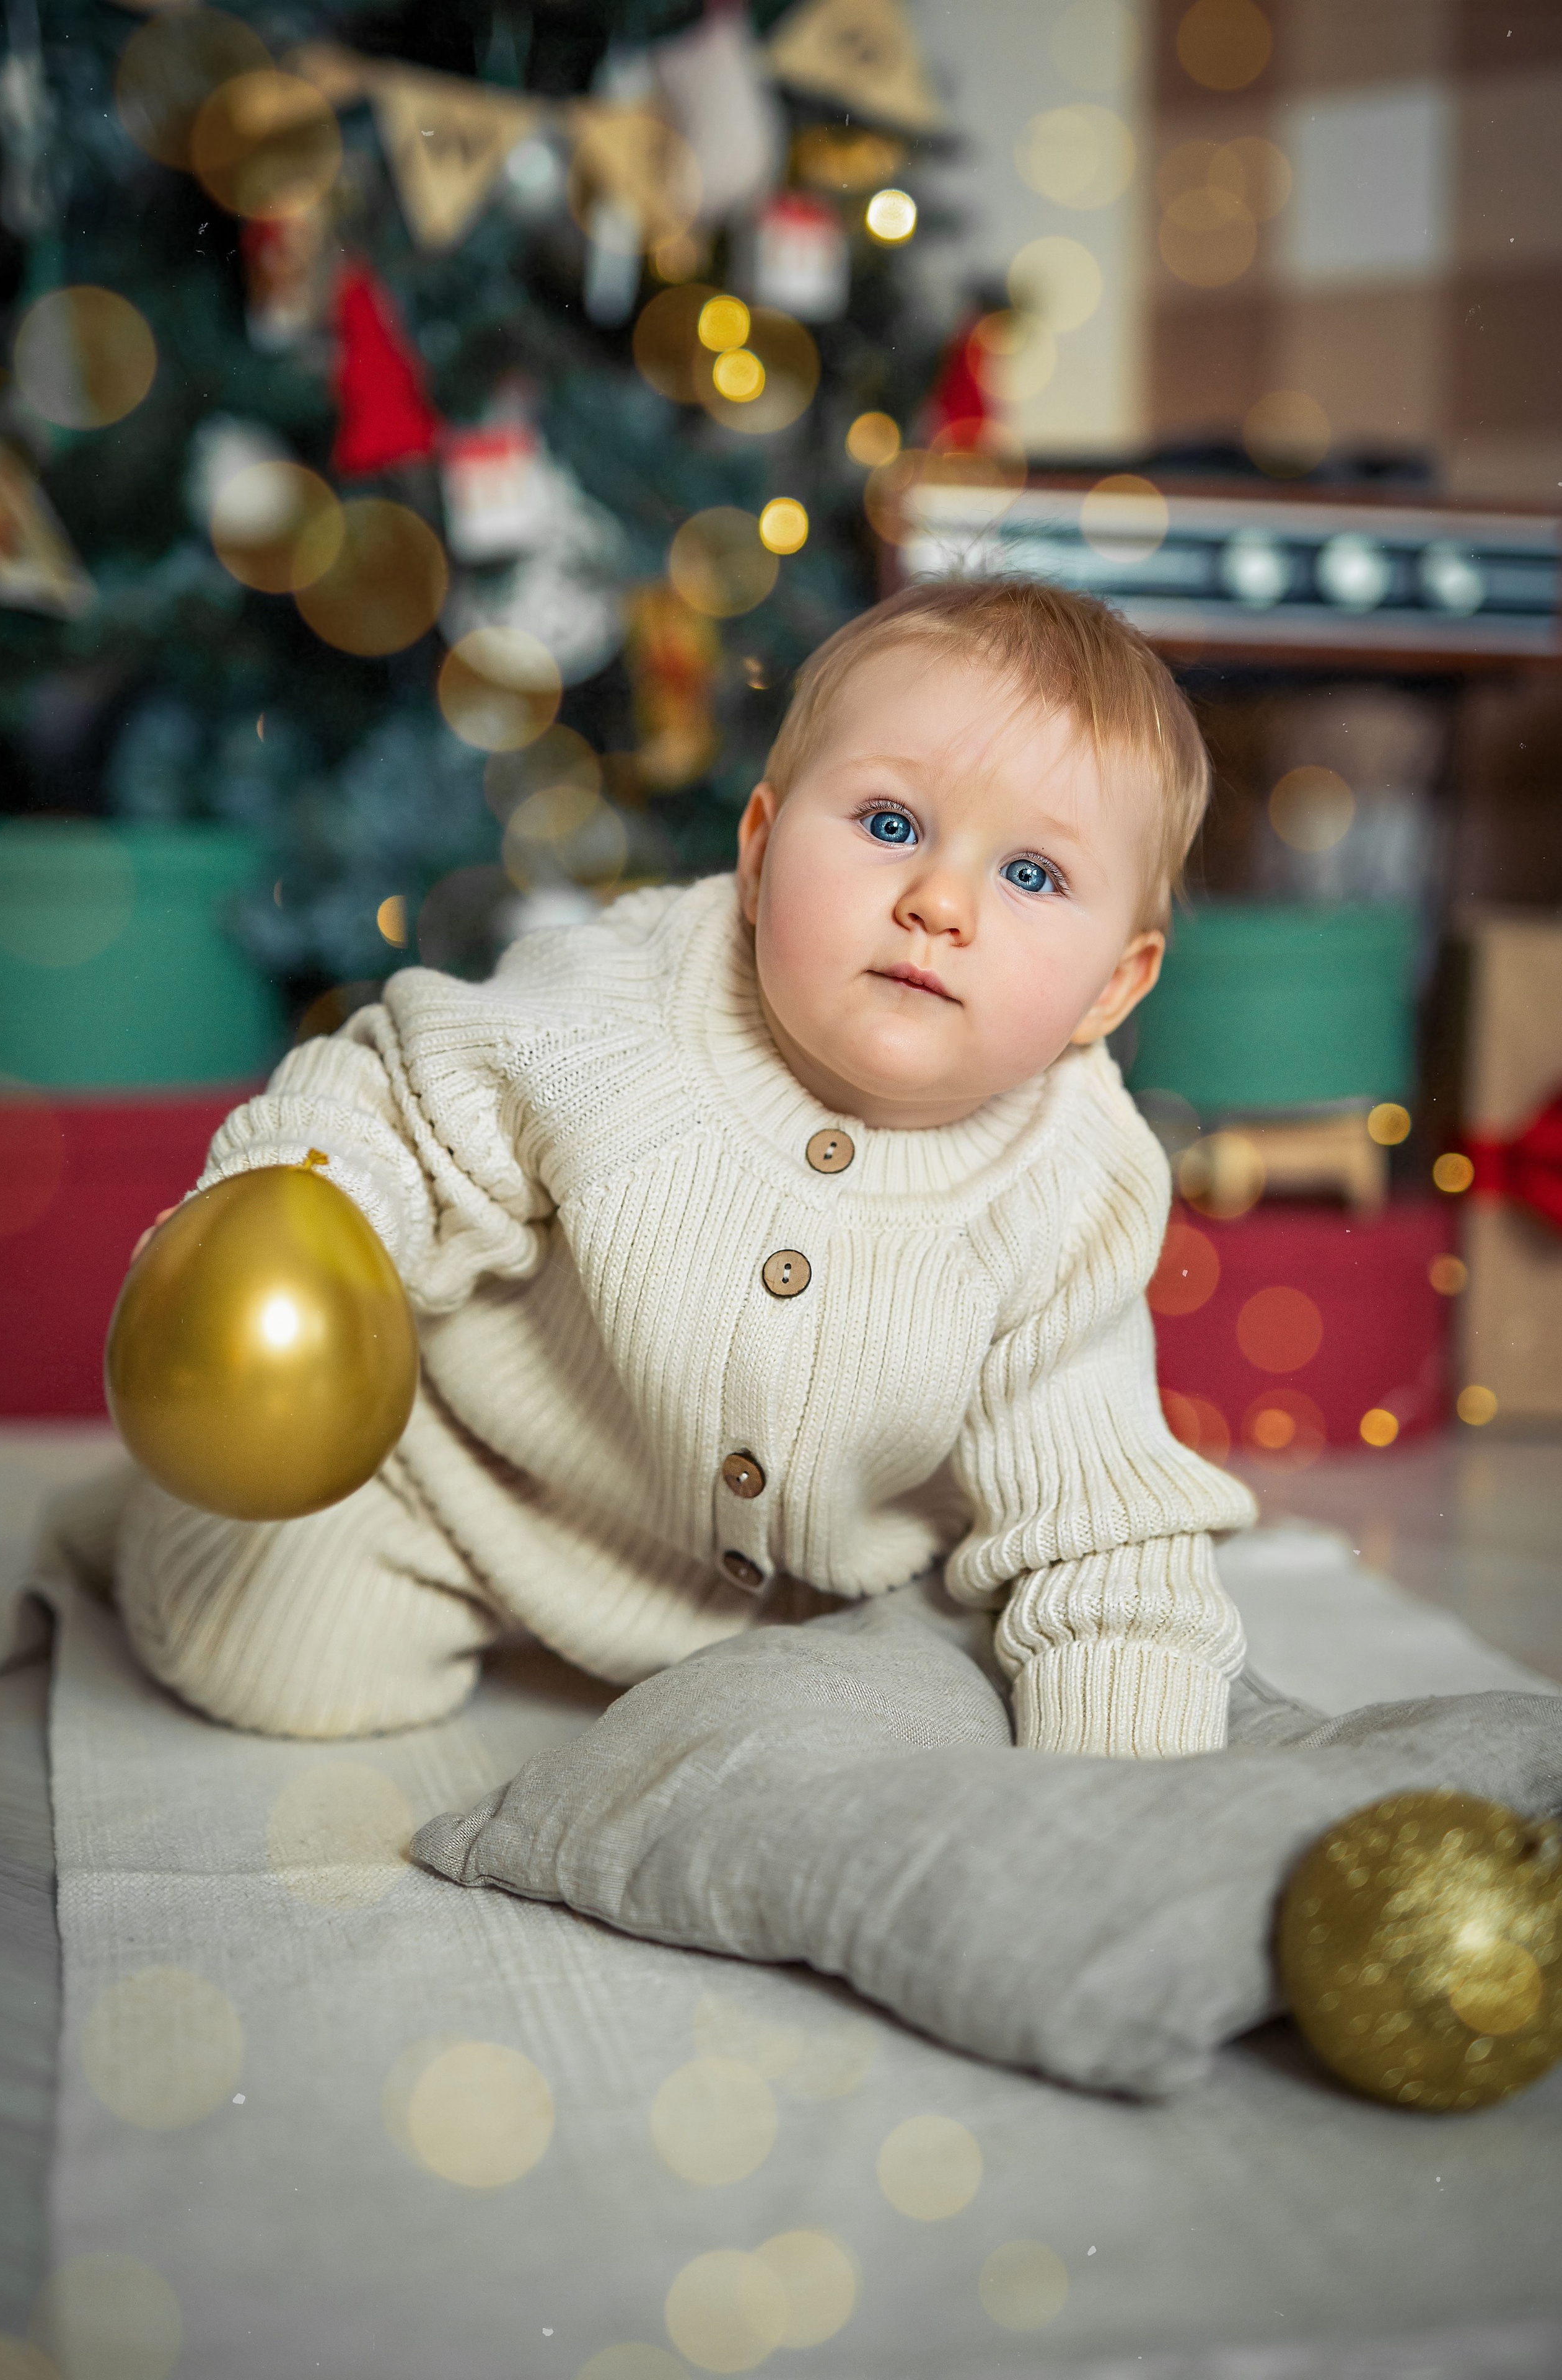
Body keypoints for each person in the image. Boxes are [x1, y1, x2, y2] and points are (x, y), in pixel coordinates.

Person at [116, 578, 1257, 1750]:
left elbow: (1097, 1516)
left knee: (942, 1729)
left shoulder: (1070, 1184)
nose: (940, 904)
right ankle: (171, 1525)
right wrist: (290, 1220)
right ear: (759, 858)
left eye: (1032, 876)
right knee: (275, 1659)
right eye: (890, 824)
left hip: (824, 1610)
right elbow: (399, 1104)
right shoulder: (618, 1006)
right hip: (471, 1499)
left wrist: (1121, 1769)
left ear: (1113, 987)